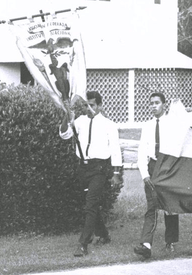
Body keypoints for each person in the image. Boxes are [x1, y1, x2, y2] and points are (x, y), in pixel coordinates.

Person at [59, 91, 123, 257]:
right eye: (86, 105)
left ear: (100, 106)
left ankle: (83, 244)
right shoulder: (80, 121)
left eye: (92, 105)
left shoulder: (109, 125)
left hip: (99, 169)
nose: (89, 108)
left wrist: (116, 173)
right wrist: (67, 116)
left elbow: (115, 149)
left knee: (91, 204)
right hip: (83, 168)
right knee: (91, 205)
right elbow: (64, 134)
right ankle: (104, 235)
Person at [134, 92, 179, 259]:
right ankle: (146, 244)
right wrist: (145, 174)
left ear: (164, 104)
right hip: (153, 167)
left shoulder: (173, 123)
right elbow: (142, 151)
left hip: (168, 166)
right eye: (151, 103)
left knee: (170, 207)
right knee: (152, 206)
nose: (153, 106)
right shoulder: (147, 125)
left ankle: (171, 241)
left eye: (157, 103)